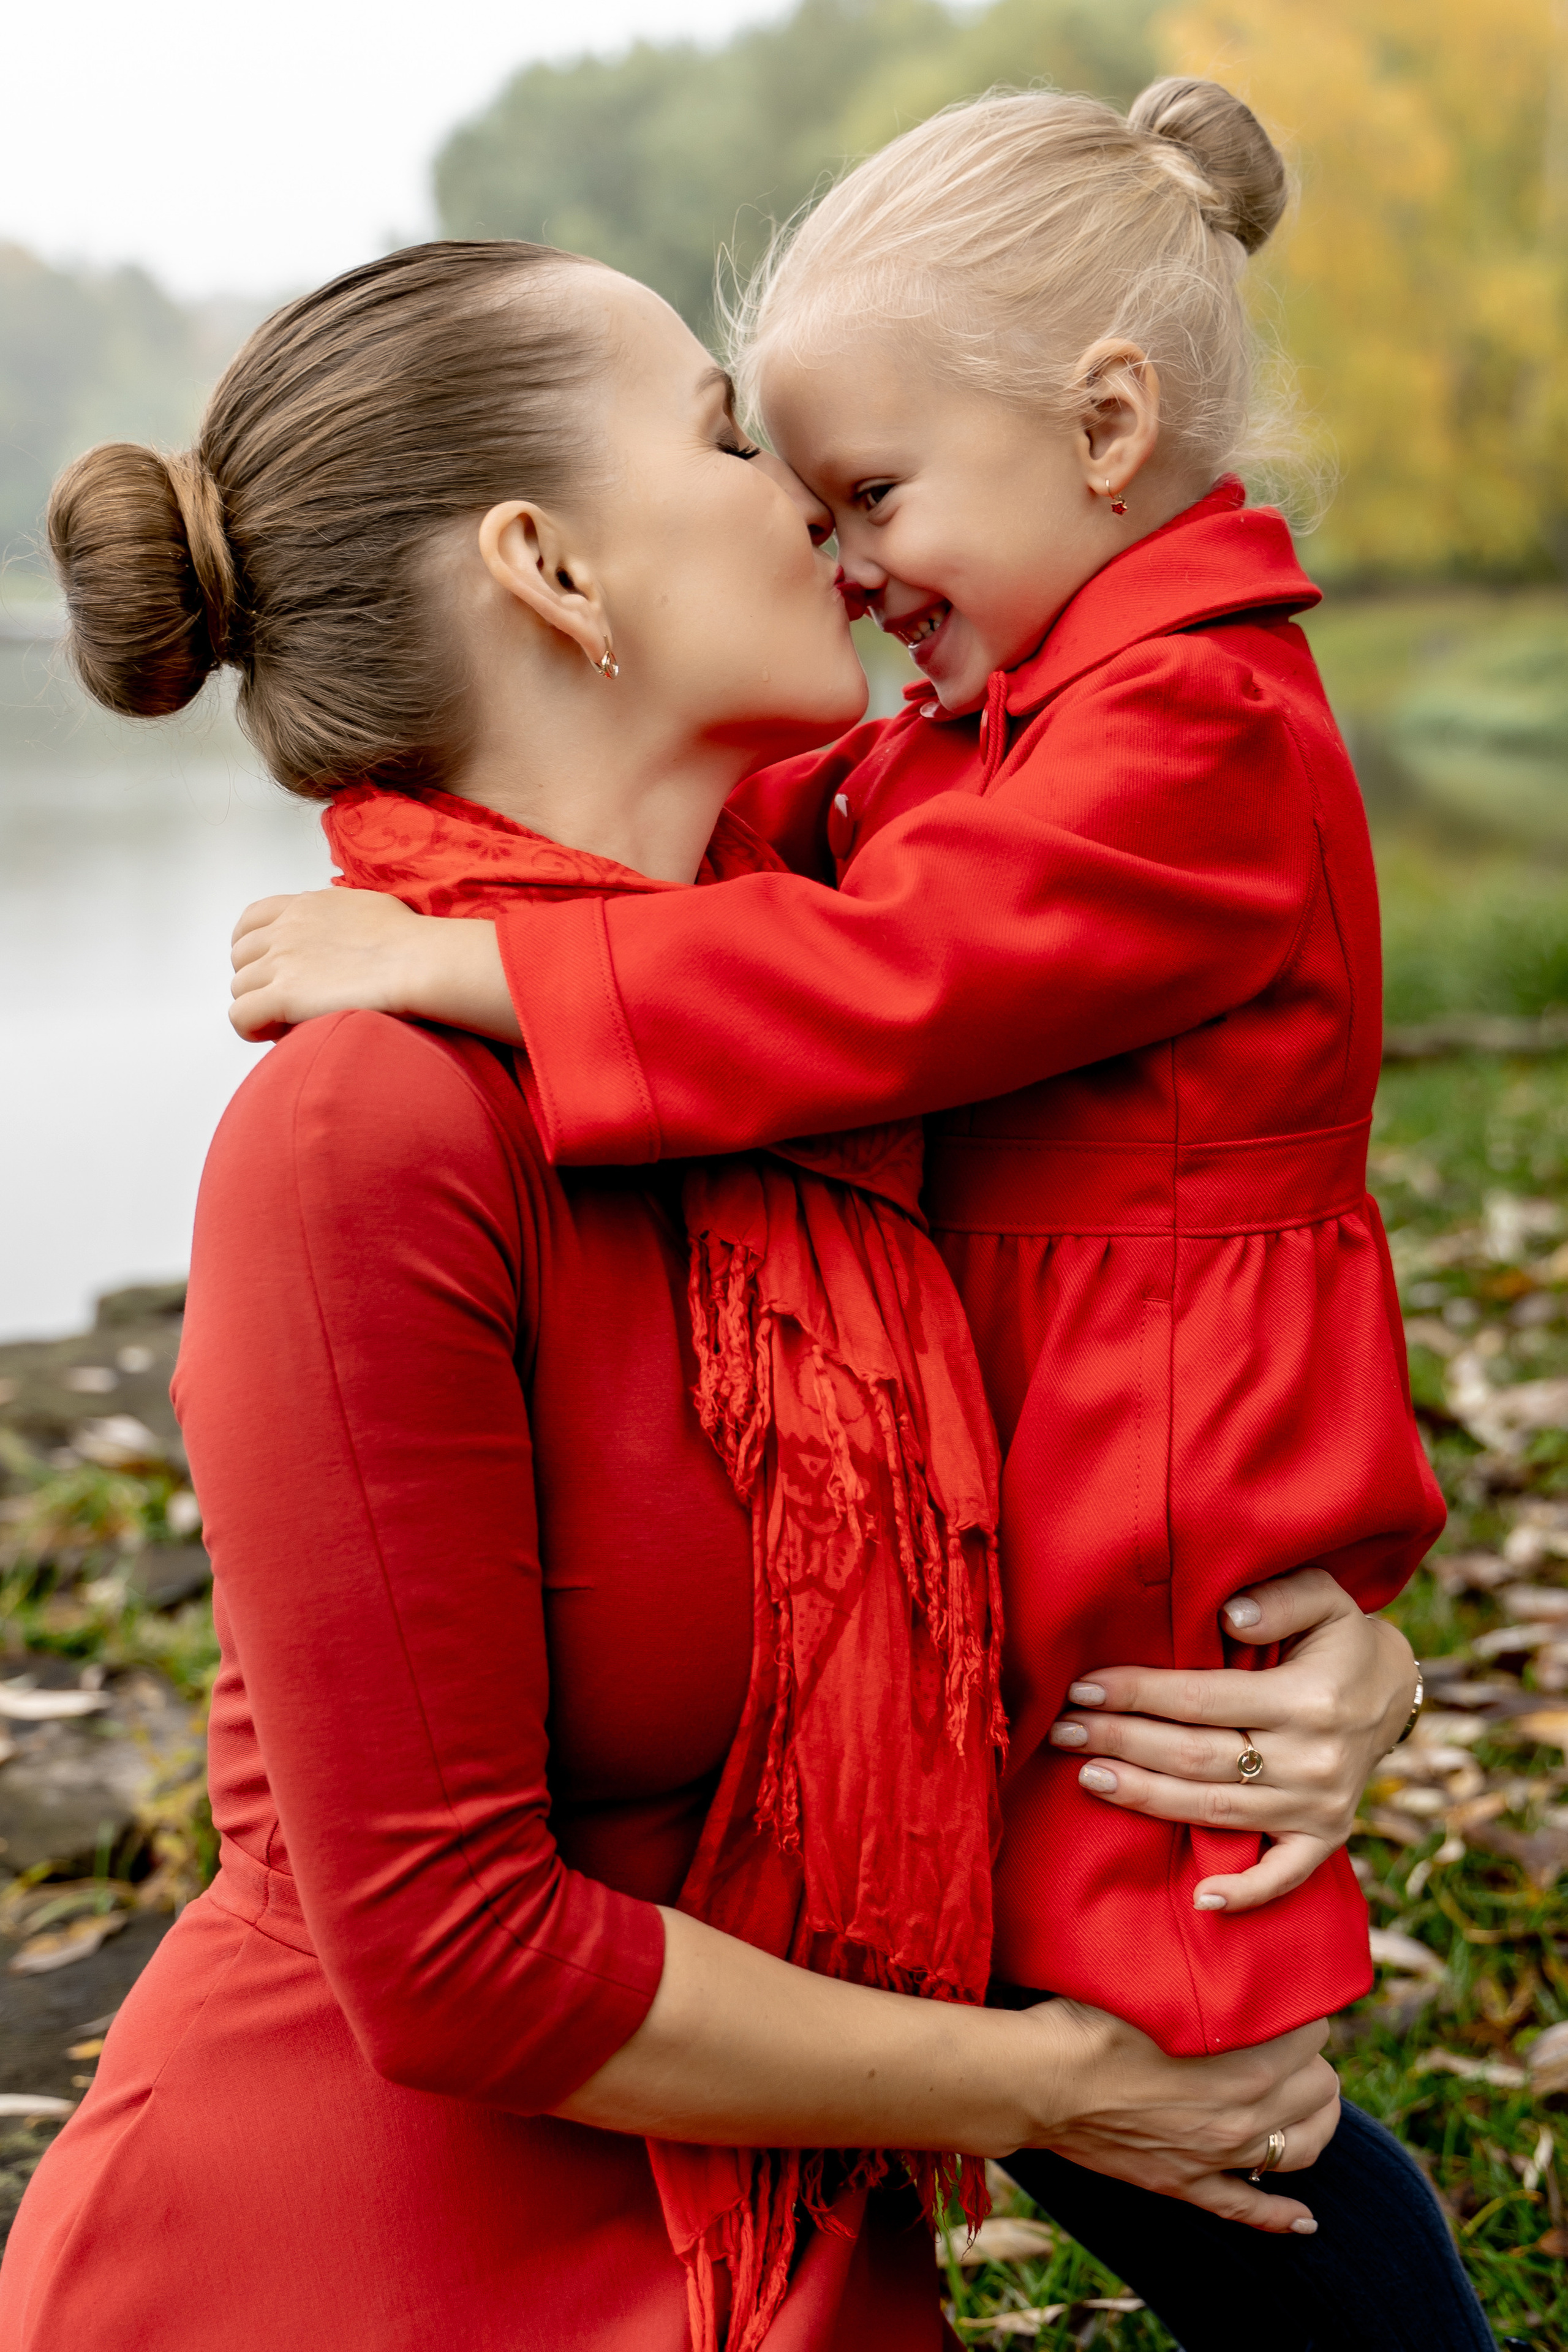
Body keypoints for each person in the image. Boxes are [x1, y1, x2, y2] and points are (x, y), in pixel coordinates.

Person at [228, 86, 1497, 2351]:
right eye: (751, 457)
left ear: (1102, 432)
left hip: (1112, 1502)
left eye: (860, 490)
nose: (828, 544)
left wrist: (1348, 1663)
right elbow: (448, 1947)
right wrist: (1052, 2086)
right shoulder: (390, 1118)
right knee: (1180, 2076)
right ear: (551, 571)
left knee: (1222, 2068)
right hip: (435, 2254)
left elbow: (892, 963)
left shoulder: (1140, 744)